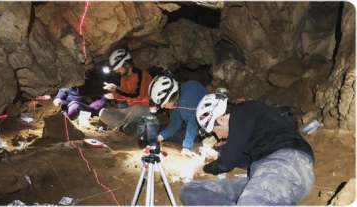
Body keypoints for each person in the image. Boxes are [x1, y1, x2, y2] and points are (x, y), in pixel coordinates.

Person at [179, 93, 315, 205]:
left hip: (287, 165)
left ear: (220, 119)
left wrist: (203, 167)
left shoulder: (242, 111)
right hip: (262, 173)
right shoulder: (252, 128)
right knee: (191, 191)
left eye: (215, 131)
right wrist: (218, 155)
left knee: (251, 202)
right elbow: (245, 161)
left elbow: (227, 163)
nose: (218, 136)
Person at [148, 73, 208, 157]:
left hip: (202, 130)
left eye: (164, 104)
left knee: (177, 136)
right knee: (153, 129)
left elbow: (193, 122)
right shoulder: (176, 100)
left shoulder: (191, 91)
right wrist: (160, 137)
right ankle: (134, 128)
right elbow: (176, 123)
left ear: (171, 97)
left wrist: (186, 147)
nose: (162, 107)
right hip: (188, 126)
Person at [100, 46, 153, 134]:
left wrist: (117, 89)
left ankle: (118, 126)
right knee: (103, 112)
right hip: (130, 111)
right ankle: (123, 127)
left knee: (138, 108)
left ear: (126, 64)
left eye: (117, 67)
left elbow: (137, 97)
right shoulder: (123, 79)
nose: (116, 71)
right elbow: (123, 99)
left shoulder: (142, 74)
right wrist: (114, 95)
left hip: (144, 110)